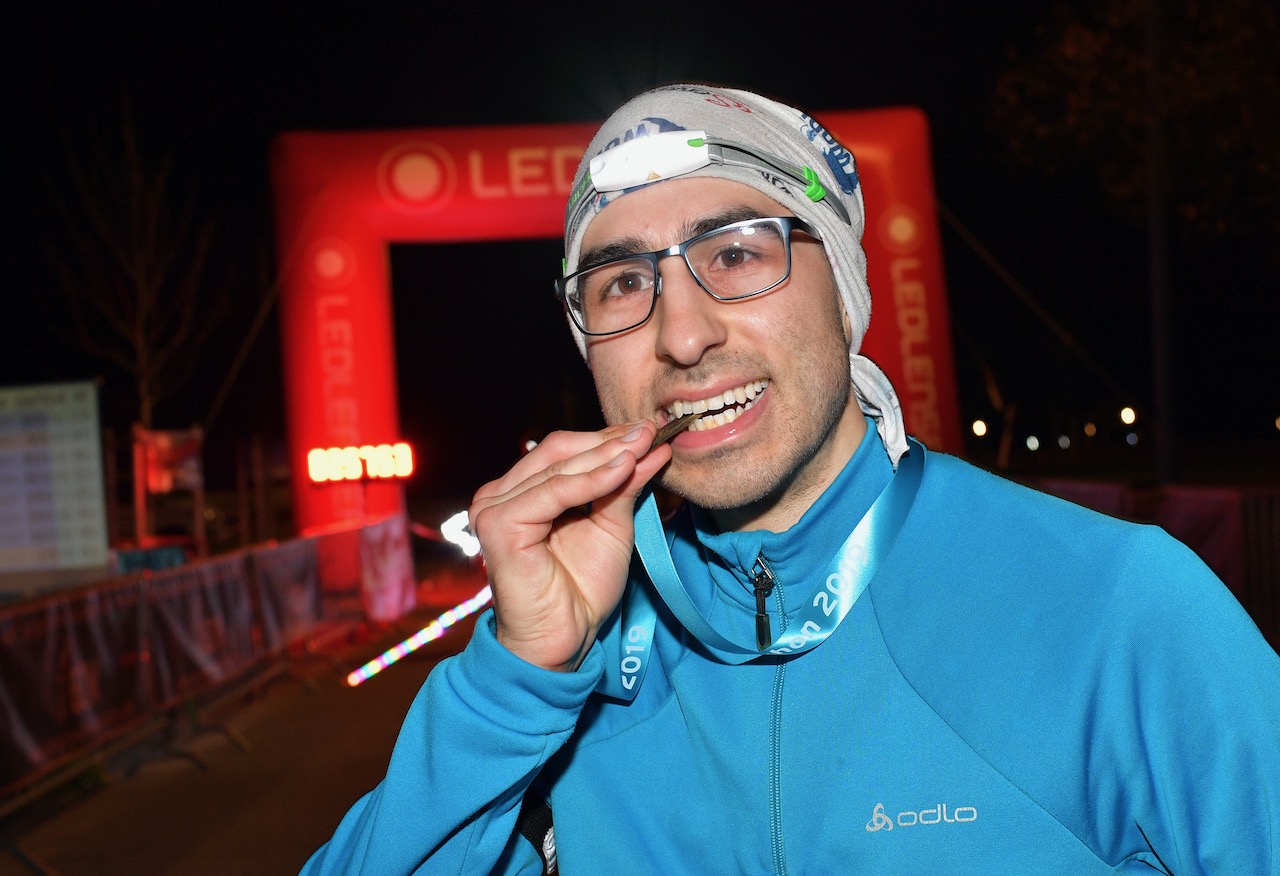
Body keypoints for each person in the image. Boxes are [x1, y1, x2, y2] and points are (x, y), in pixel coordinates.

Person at [301, 84, 1280, 875]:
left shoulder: (1115, 608)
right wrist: (515, 681)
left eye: (737, 254)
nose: (681, 333)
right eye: (623, 283)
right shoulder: (560, 676)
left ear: (843, 290)